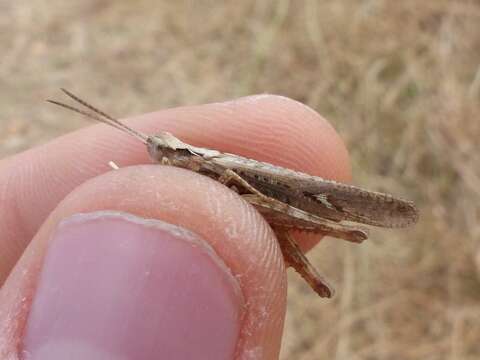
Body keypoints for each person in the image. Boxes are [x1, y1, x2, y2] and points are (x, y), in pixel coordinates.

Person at [0, 95, 351, 359]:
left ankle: (339, 235)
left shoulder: (199, 162)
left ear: (173, 150)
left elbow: (228, 179)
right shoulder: (181, 166)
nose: (154, 154)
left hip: (269, 199)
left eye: (158, 149)